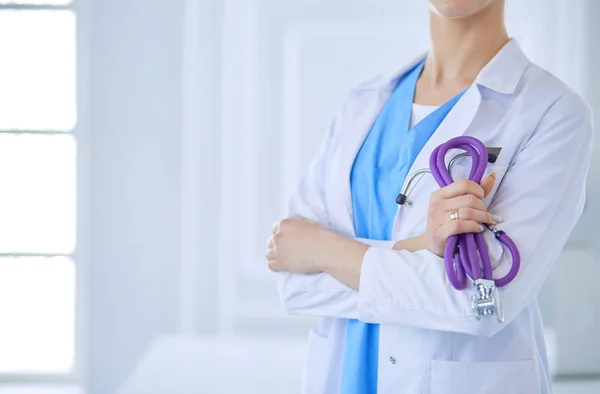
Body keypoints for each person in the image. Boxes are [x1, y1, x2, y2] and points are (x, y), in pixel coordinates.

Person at [266, 0, 594, 393]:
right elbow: (293, 280)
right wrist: (421, 247)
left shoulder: (552, 113)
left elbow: (482, 302)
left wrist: (323, 251)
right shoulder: (363, 103)